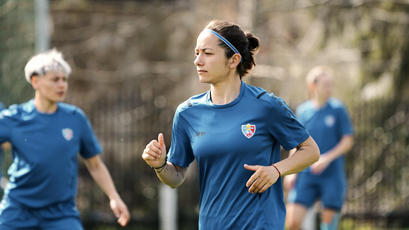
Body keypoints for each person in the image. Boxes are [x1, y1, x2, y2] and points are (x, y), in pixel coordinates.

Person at [142, 20, 320, 230]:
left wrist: (276, 170)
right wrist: (160, 165)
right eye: (196, 53)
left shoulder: (266, 106)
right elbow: (175, 177)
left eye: (207, 53)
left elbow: (311, 151)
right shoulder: (188, 113)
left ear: (233, 60)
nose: (198, 61)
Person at [0, 49, 130, 229]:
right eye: (55, 79)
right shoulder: (14, 118)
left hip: (61, 214)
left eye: (64, 79)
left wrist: (114, 197)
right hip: (17, 211)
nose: (62, 85)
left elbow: (95, 165)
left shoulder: (75, 119)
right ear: (35, 81)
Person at [285, 66, 354, 230]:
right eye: (325, 85)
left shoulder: (338, 109)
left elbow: (348, 141)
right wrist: (291, 171)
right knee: (293, 221)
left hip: (332, 175)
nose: (329, 89)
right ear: (312, 86)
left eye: (331, 85)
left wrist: (326, 158)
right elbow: (296, 142)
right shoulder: (303, 111)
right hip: (306, 174)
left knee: (328, 225)